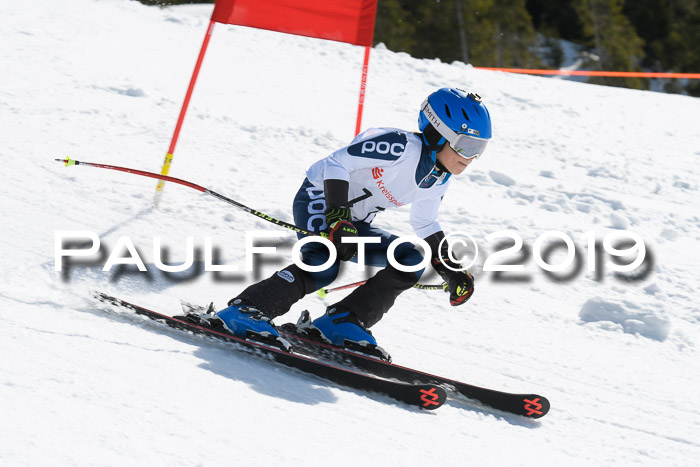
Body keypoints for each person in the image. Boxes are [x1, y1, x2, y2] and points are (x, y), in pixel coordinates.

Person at [208, 88, 491, 358]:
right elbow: (336, 163)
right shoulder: (398, 145)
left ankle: (342, 320)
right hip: (319, 199)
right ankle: (247, 309)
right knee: (323, 263)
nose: (472, 157)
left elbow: (426, 222)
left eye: (479, 148)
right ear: (437, 133)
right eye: (466, 145)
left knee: (410, 258)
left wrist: (451, 270)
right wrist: (338, 215)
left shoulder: (438, 178)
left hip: (354, 222)